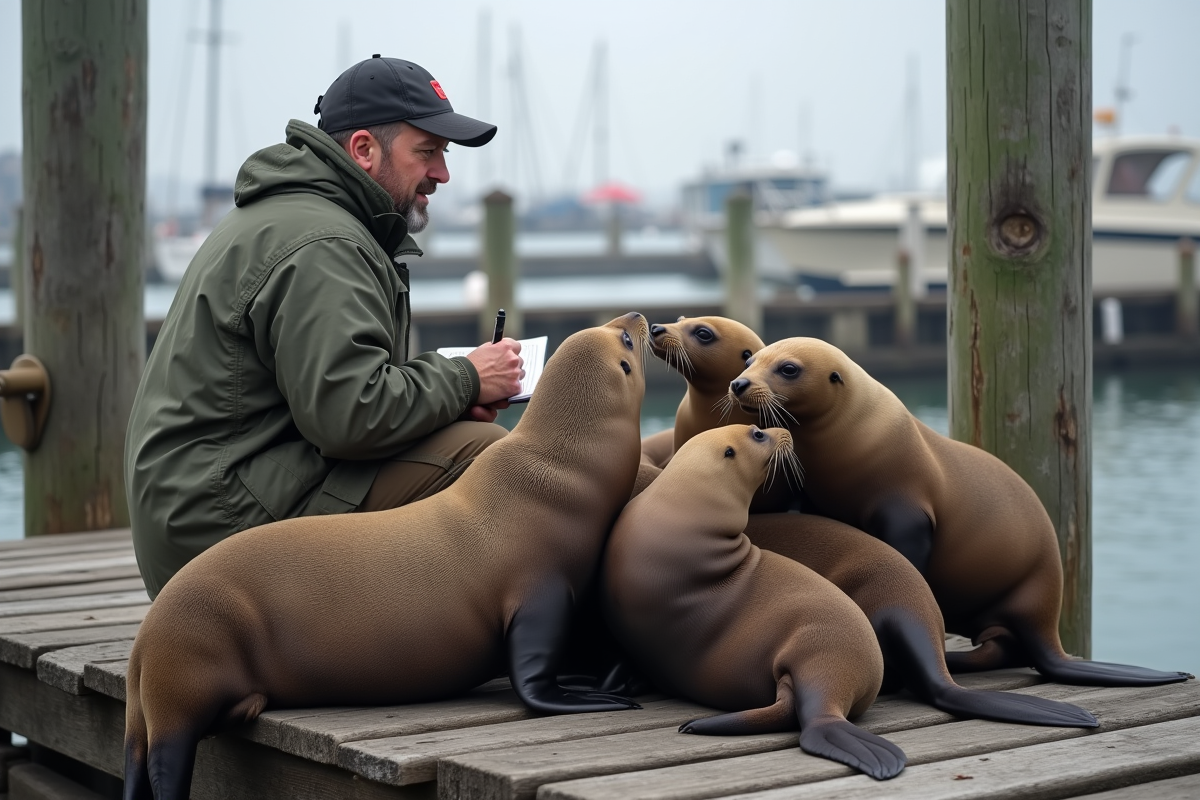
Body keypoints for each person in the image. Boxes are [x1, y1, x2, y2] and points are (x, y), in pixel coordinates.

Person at [125, 55, 523, 598]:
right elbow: (350, 416)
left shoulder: (294, 216)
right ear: (363, 150)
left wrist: (450, 397)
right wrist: (466, 379)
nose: (442, 174)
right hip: (218, 536)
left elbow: (334, 403)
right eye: (426, 152)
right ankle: (518, 634)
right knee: (482, 454)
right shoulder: (325, 244)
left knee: (458, 436)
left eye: (443, 155)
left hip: (202, 512)